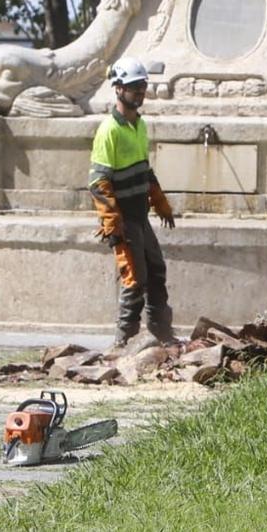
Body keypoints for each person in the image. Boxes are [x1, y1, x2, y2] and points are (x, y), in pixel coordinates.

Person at [89, 56, 177, 349]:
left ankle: (161, 332)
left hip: (140, 215)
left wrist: (159, 199)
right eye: (133, 87)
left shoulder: (139, 126)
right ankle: (123, 340)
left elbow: (143, 169)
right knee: (134, 278)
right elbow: (99, 182)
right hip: (123, 218)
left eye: (142, 87)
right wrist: (111, 220)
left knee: (156, 269)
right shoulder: (108, 131)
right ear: (117, 88)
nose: (139, 92)